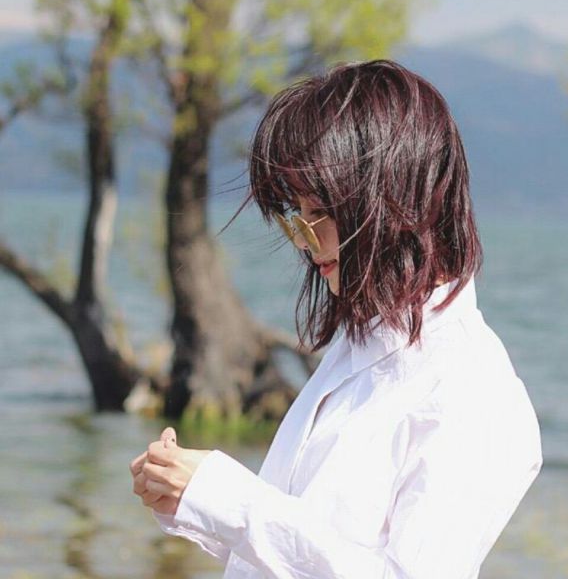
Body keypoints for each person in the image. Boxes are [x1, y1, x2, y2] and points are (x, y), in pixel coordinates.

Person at [130, 59, 543, 578]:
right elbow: (309, 549)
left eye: (319, 211)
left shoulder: (473, 389)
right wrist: (195, 502)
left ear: (393, 198)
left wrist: (225, 499)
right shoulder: (361, 346)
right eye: (296, 214)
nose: (305, 241)